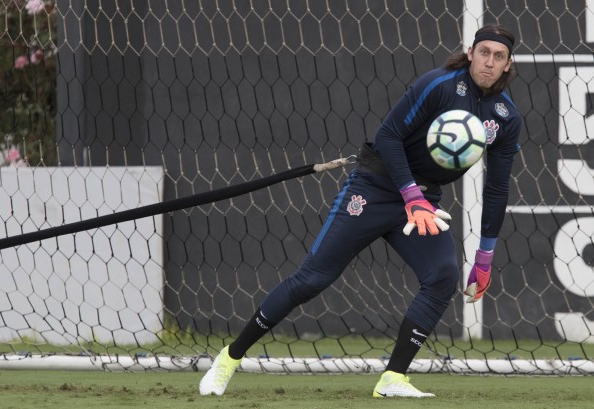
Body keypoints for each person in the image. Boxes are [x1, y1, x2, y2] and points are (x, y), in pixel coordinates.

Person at [199, 24, 521, 398]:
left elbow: (497, 187)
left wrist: (484, 256)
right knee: (312, 280)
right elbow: (388, 135)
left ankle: (393, 379)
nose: (489, 62)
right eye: (484, 52)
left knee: (442, 276)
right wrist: (410, 194)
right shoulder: (438, 85)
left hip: (422, 203)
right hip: (376, 187)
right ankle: (229, 358)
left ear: (508, 64)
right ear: (470, 53)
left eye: (498, 57)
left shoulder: (505, 116)